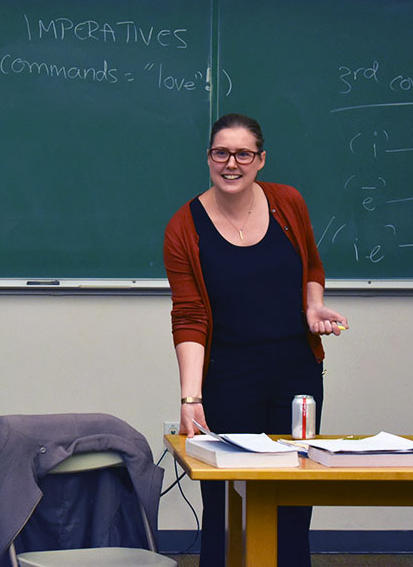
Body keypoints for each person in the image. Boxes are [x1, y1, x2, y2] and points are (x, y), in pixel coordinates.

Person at [163, 113, 348, 566]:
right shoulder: (184, 226)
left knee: (292, 500)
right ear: (208, 158)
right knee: (224, 503)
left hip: (297, 376)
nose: (232, 164)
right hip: (228, 378)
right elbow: (188, 316)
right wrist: (191, 397)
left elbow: (312, 265)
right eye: (221, 153)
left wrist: (313, 306)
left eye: (243, 154)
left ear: (261, 159)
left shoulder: (288, 202)